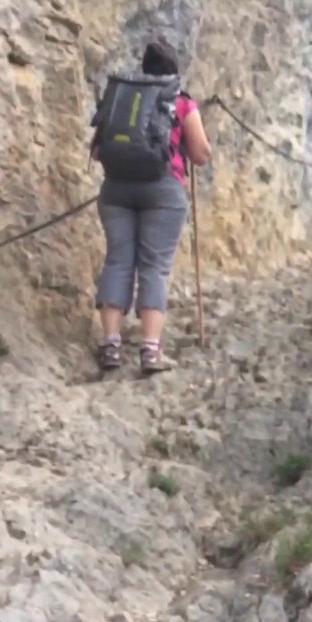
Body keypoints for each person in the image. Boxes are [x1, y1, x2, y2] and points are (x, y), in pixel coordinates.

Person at [89, 41, 212, 375]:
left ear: (144, 69)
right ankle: (150, 350)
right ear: (174, 72)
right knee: (154, 266)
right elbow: (201, 154)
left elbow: (98, 151)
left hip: (116, 189)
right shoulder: (180, 101)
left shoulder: (122, 98)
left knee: (117, 260)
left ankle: (111, 344)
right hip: (163, 192)